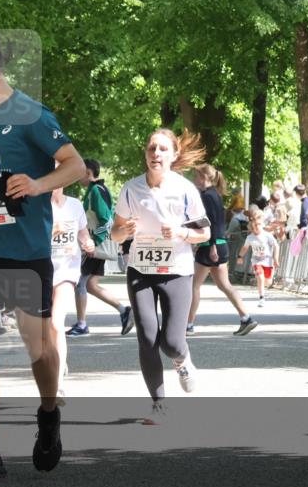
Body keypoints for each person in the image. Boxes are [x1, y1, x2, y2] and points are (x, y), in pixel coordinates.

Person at [0, 27, 86, 482]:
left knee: (40, 348)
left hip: (25, 249)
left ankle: (48, 414)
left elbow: (76, 165)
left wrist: (37, 184)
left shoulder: (31, 114)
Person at [109, 129, 211, 424]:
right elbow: (115, 233)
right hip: (140, 269)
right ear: (146, 153)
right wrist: (124, 230)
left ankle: (182, 359)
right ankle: (158, 404)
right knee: (147, 338)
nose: (156, 153)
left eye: (163, 149)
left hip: (176, 271)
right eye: (152, 148)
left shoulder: (185, 190)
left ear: (174, 155)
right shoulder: (131, 188)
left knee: (171, 342)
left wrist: (180, 232)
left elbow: (205, 232)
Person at [187, 164, 258, 336]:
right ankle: (245, 317)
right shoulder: (215, 195)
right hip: (221, 244)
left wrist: (209, 245)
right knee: (224, 284)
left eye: (195, 176)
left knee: (194, 286)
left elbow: (209, 221)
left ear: (204, 177)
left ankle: (188, 324)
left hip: (210, 245)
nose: (193, 179)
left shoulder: (206, 196)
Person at [69, 158, 132, 337]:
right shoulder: (97, 189)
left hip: (96, 246)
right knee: (90, 284)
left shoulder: (95, 191)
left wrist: (93, 242)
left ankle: (82, 325)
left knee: (81, 282)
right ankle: (124, 310)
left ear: (88, 173)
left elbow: (105, 220)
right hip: (98, 245)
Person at [50, 185, 93, 404]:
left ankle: (57, 386)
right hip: (39, 270)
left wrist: (88, 243)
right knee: (43, 329)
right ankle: (58, 358)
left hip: (66, 271)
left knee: (57, 324)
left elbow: (83, 234)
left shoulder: (75, 205)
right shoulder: (36, 204)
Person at [237, 208, 279, 307]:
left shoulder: (267, 235)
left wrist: (276, 259)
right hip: (256, 261)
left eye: (259, 225)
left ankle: (267, 283)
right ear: (251, 227)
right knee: (260, 277)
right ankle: (261, 297)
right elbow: (244, 248)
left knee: (268, 282)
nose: (257, 227)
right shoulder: (250, 237)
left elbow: (276, 245)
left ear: (263, 224)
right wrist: (240, 256)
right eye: (255, 225)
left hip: (268, 260)